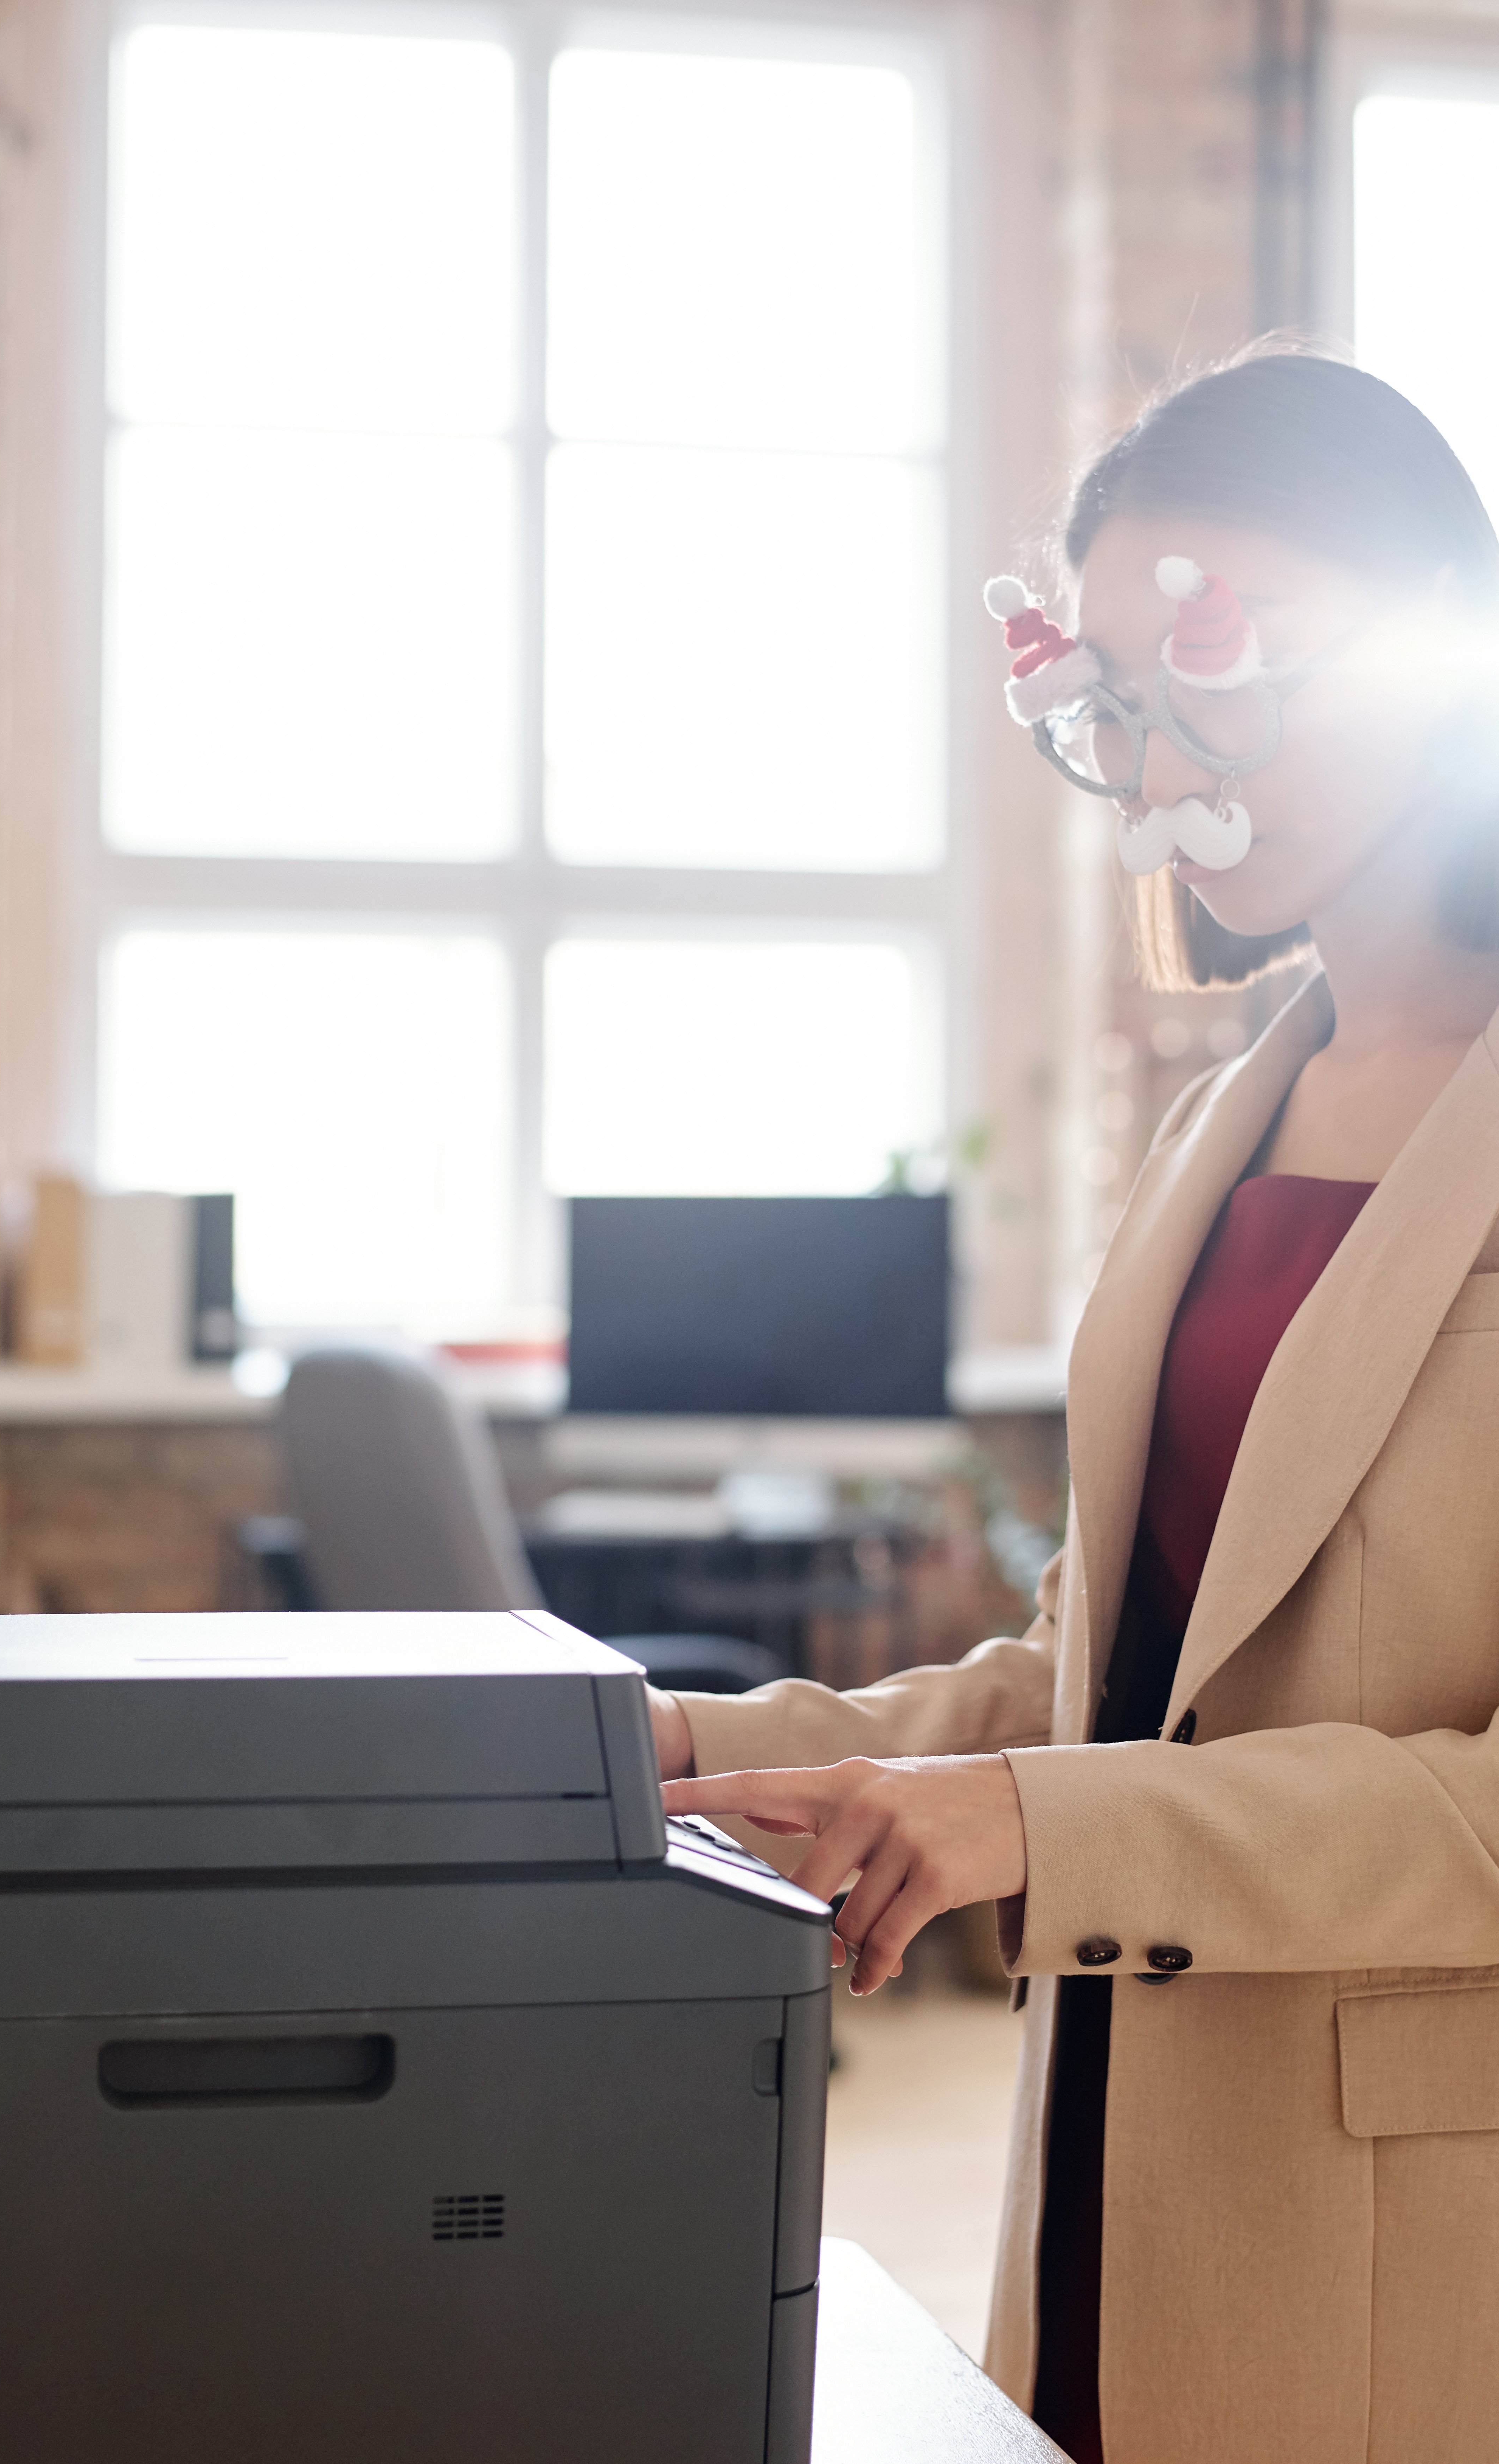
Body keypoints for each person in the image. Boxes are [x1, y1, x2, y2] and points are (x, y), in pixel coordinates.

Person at [653, 349, 1499, 2464]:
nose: (1156, 768)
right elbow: (1122, 1669)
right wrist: (672, 1748)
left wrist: (1047, 1822)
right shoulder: (1239, 1105)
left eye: (1212, 665)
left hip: (1422, 2225)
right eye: (1110, 696)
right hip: (1127, 2157)